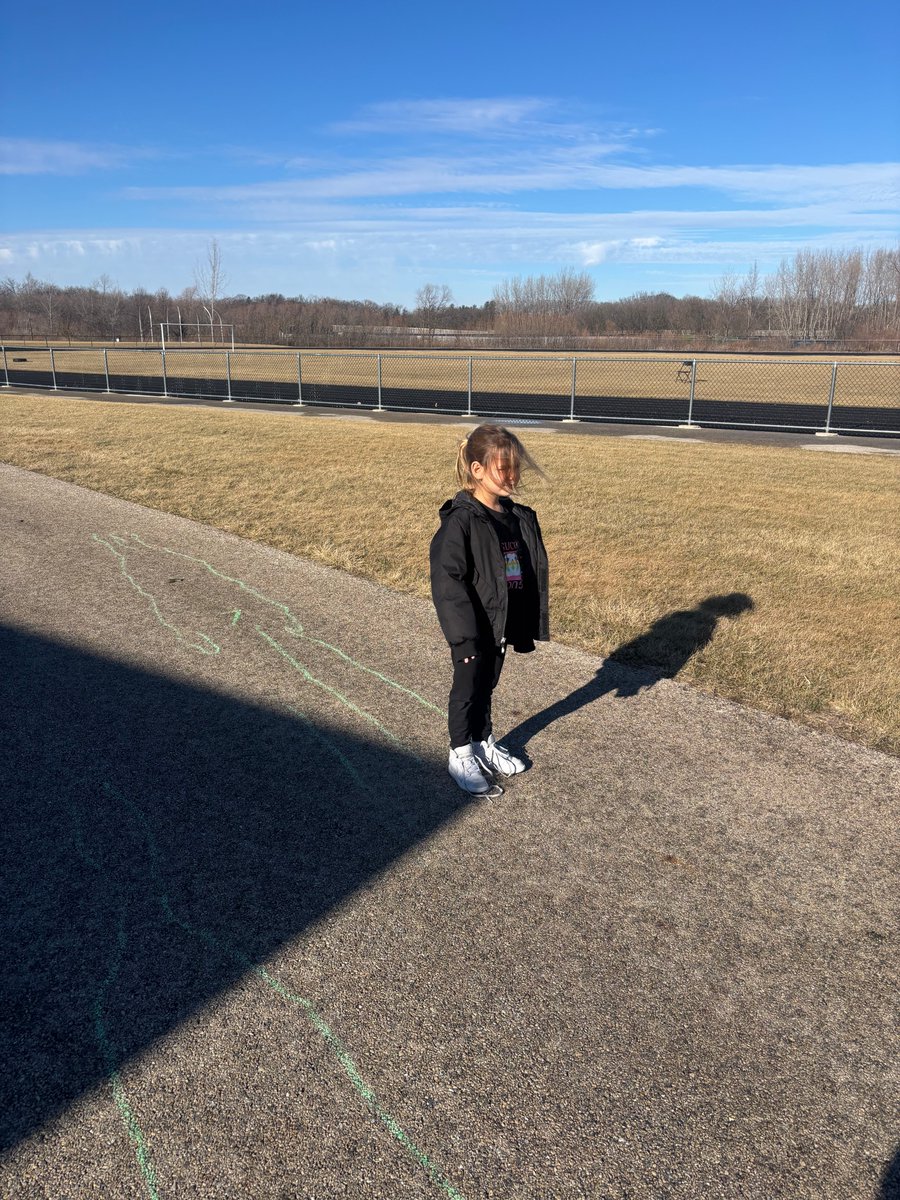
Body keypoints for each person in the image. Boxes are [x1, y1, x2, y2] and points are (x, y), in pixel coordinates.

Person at [429, 423, 549, 795]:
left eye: (515, 467)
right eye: (503, 468)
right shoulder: (462, 521)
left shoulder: (516, 517)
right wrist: (464, 638)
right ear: (477, 470)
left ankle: (482, 741)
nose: (512, 476)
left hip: (500, 621)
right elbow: (448, 582)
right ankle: (460, 751)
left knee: (489, 684)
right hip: (472, 626)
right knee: (467, 686)